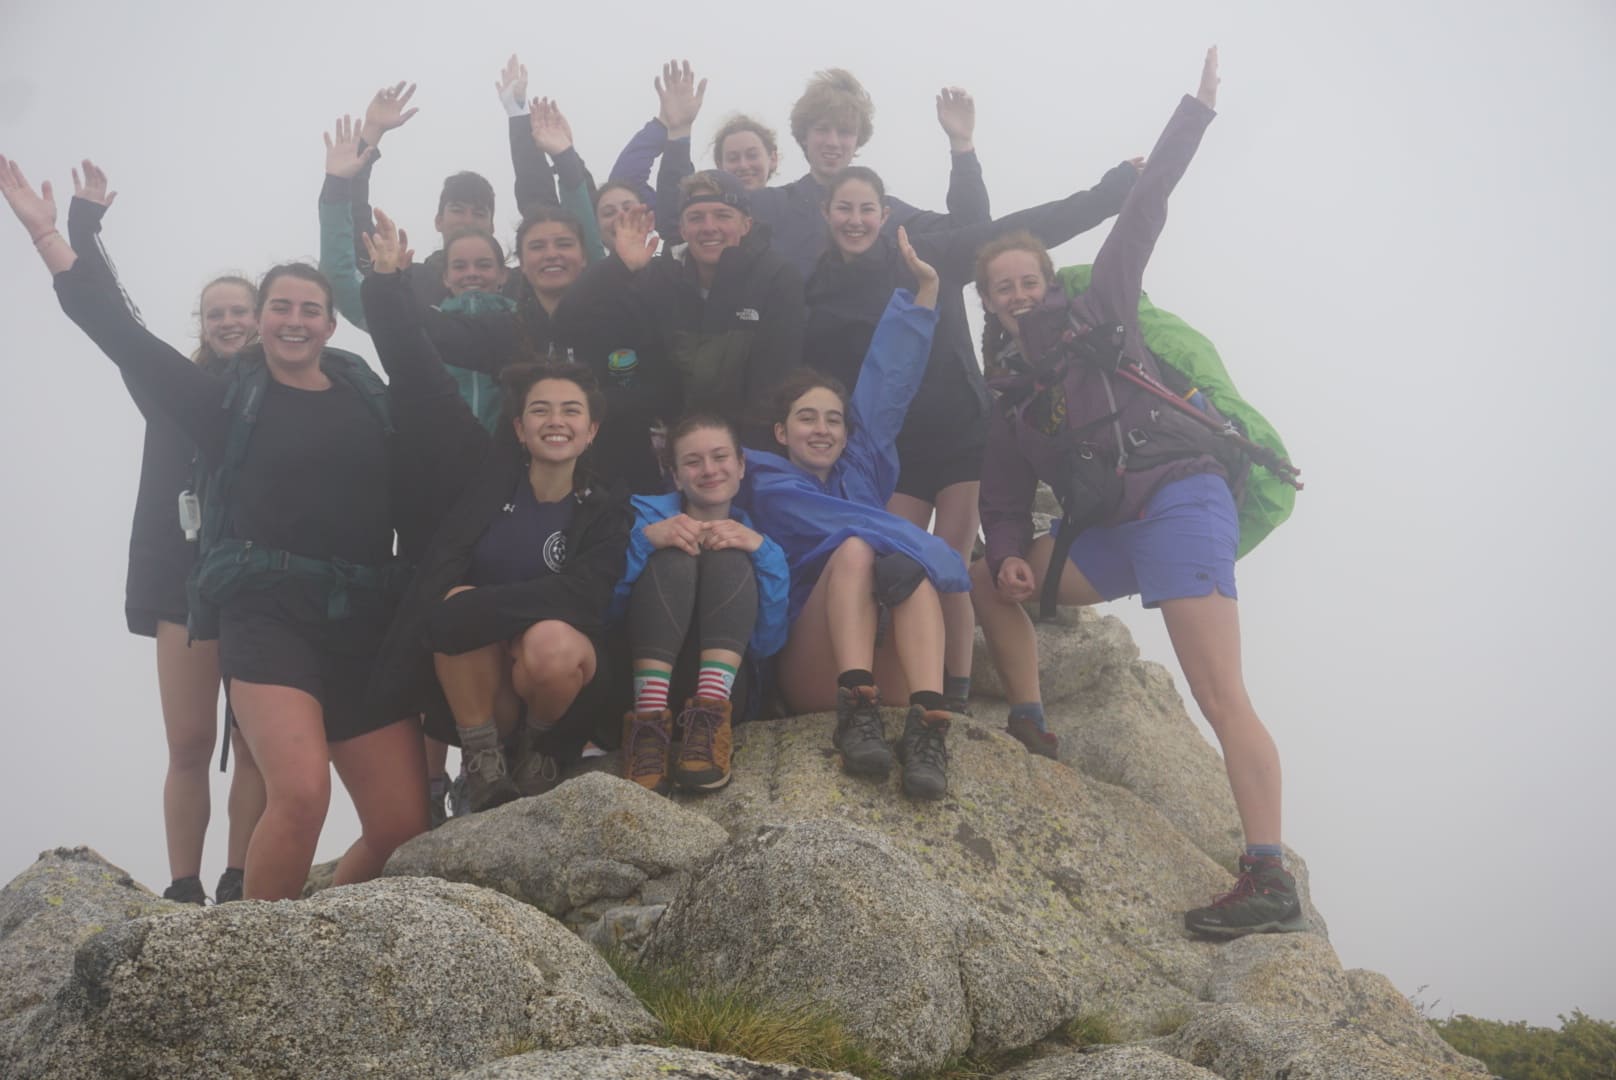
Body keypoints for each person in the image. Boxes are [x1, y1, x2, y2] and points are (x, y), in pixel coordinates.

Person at [3, 157, 433, 901]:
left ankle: (308, 927)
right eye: (281, 308)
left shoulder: (375, 404)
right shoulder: (221, 403)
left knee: (402, 824)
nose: (294, 320)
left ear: (332, 324)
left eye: (310, 310)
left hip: (365, 619)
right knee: (299, 794)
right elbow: (122, 336)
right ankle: (250, 972)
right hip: (267, 618)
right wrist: (52, 238)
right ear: (261, 320)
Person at [970, 50, 1303, 939]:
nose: (1015, 294)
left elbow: (1144, 207)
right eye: (1000, 287)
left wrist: (1192, 113)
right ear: (989, 301)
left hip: (1183, 502)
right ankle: (1032, 720)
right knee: (982, 570)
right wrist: (1007, 555)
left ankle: (1268, 874)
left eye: (1026, 279)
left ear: (1047, 281)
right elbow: (1002, 498)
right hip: (1112, 531)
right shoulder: (1009, 394)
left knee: (1217, 691)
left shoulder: (1100, 310)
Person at [805, 158, 1140, 714]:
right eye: (845, 208)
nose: (857, 220)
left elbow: (1006, 233)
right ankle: (894, 682)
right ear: (826, 213)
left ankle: (952, 697)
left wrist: (1113, 192)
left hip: (963, 430)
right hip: (898, 448)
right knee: (893, 557)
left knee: (950, 561)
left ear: (886, 216)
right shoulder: (818, 289)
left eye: (868, 209)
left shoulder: (923, 254)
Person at [361, 210, 630, 813]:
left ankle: (537, 750)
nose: (555, 421)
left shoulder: (605, 507)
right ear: (517, 424)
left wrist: (478, 609)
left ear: (591, 431)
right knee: (459, 611)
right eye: (540, 410)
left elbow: (585, 599)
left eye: (570, 411)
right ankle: (482, 763)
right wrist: (384, 284)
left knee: (543, 638)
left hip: (552, 686)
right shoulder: (483, 478)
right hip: (483, 687)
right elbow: (416, 368)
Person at [50, 160, 266, 905]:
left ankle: (241, 878)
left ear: (266, 316)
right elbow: (117, 320)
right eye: (217, 314)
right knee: (189, 743)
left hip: (264, 579)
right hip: (181, 580)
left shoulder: (288, 391)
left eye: (243, 310)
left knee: (255, 745)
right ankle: (183, 886)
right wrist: (80, 227)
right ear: (201, 327)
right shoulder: (169, 383)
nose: (231, 322)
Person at [743, 227, 965, 801]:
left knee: (905, 572)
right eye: (807, 419)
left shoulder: (859, 468)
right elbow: (850, 529)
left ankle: (926, 726)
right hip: (813, 670)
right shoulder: (767, 481)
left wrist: (924, 293)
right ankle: (856, 708)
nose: (822, 429)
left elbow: (888, 382)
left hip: (886, 660)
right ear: (780, 431)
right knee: (861, 547)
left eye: (833, 419)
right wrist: (928, 549)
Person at [655, 64, 991, 274]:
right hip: (791, 368)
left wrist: (962, 147)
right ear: (803, 135)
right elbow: (679, 220)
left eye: (844, 132)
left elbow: (971, 230)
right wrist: (678, 133)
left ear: (857, 140)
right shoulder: (768, 207)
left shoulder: (888, 215)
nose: (833, 141)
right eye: (822, 130)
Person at [560, 171, 805, 451]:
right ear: (684, 229)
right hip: (677, 446)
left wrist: (734, 461)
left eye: (722, 215)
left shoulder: (777, 278)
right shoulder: (662, 277)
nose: (709, 227)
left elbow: (774, 388)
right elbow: (570, 319)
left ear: (746, 224)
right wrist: (619, 265)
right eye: (696, 217)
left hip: (749, 450)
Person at [613, 414, 789, 794]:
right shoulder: (634, 517)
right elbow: (603, 612)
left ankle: (707, 722)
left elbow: (766, 643)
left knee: (729, 556)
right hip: (638, 682)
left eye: (720, 457)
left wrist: (762, 550)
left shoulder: (759, 533)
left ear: (741, 466)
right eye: (693, 462)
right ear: (675, 476)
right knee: (673, 558)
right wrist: (645, 542)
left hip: (721, 694)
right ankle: (647, 727)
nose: (709, 470)